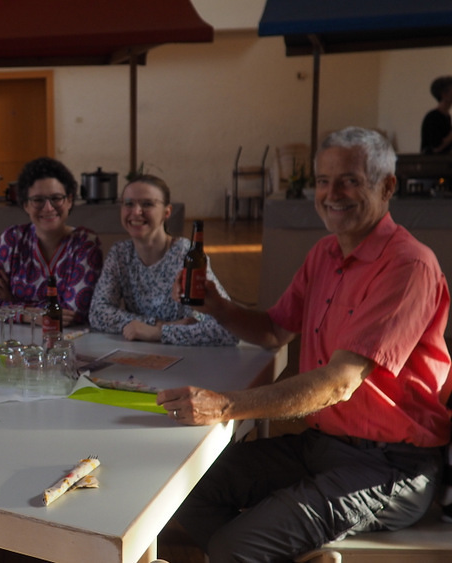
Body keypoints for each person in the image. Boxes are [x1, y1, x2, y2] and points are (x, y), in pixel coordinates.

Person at [159, 127, 451, 561]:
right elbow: (273, 331)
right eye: (322, 181)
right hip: (322, 445)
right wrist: (217, 306)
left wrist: (225, 406)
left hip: (391, 466)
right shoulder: (325, 254)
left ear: (387, 186)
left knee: (233, 547)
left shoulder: (408, 265)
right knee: (184, 491)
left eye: (350, 180)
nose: (332, 194)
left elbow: (339, 384)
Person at [88, 175, 237, 346]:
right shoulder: (120, 254)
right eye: (129, 204)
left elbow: (229, 327)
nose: (136, 212)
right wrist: (159, 324)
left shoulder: (185, 254)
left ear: (167, 212)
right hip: (139, 352)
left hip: (187, 356)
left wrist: (158, 333)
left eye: (147, 204)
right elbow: (98, 313)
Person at [0, 157, 102, 326]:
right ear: (25, 205)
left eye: (56, 198)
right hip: (16, 339)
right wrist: (31, 315)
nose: (48, 208)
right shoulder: (12, 239)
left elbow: (74, 313)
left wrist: (12, 303)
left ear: (69, 200)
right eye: (38, 200)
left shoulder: (85, 244)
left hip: (68, 339)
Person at [421, 75, 452, 154]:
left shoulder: (447, 116)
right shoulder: (432, 117)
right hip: (432, 161)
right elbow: (436, 147)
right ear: (444, 94)